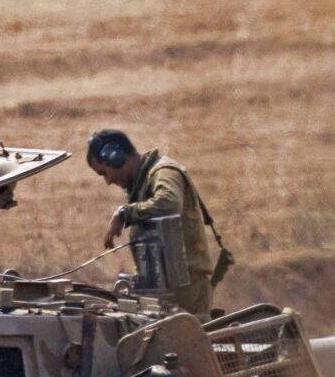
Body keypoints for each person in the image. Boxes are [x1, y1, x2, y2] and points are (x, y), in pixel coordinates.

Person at [88, 128, 231, 318]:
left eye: (104, 173)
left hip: (186, 290)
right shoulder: (142, 184)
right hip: (165, 291)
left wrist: (125, 213)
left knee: (189, 345)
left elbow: (169, 203)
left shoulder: (163, 172)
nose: (108, 181)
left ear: (116, 157)